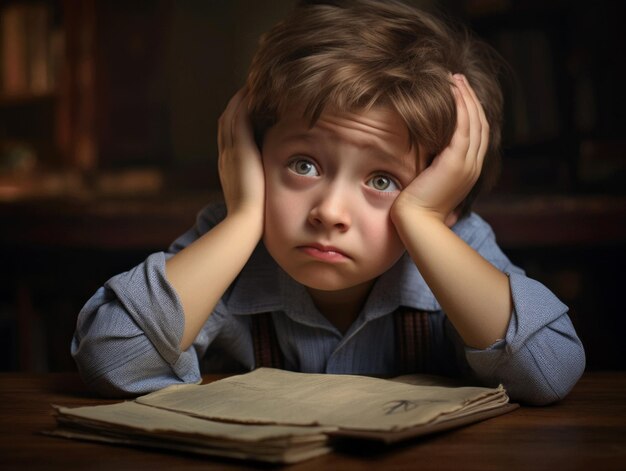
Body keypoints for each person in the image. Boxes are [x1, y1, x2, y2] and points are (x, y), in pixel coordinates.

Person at [72, 0, 585, 405]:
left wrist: (423, 224)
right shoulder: (232, 239)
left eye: (383, 181)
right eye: (303, 166)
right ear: (250, 157)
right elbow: (110, 358)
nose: (330, 212)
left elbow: (549, 371)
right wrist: (246, 216)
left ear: (446, 197)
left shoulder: (453, 242)